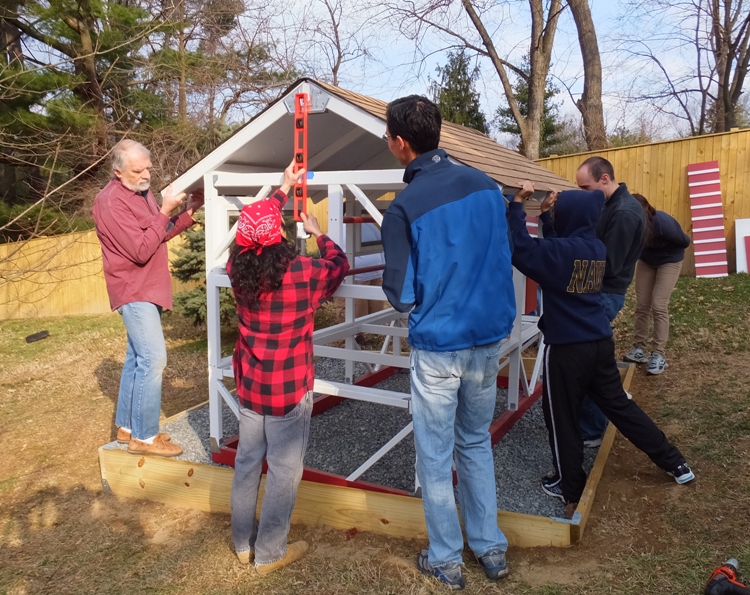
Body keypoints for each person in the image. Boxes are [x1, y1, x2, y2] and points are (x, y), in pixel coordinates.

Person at [381, 95, 515, 590]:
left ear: (400, 143)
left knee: (434, 454)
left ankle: (446, 558)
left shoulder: (404, 207)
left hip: (439, 345)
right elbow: (505, 254)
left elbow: (400, 294)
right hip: (486, 339)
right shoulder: (487, 186)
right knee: (475, 440)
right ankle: (490, 548)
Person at [509, 181, 695, 516]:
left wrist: (517, 206)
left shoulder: (559, 254)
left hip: (566, 349)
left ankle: (569, 486)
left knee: (561, 419)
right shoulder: (594, 247)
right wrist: (548, 219)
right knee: (621, 407)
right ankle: (676, 462)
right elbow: (555, 248)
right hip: (599, 343)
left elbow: (520, 249)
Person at [228, 161, 349, 575]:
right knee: (283, 471)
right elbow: (339, 264)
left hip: (250, 386)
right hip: (288, 389)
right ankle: (270, 552)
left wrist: (281, 189)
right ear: (279, 234)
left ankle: (242, 543)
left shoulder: (236, 271)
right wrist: (320, 234)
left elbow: (254, 228)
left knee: (247, 463)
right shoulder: (304, 273)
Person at [93, 139, 204, 457]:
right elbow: (140, 251)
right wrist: (166, 209)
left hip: (148, 288)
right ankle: (144, 437)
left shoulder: (141, 193)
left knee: (137, 358)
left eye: (148, 168)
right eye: (137, 170)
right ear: (117, 171)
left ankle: (128, 428)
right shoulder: (111, 202)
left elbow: (158, 233)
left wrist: (188, 211)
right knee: (154, 359)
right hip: (133, 288)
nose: (145, 175)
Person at [546, 156, 646, 446]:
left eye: (586, 188)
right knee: (588, 362)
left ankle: (590, 430)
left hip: (605, 294)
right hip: (598, 292)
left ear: (605, 179)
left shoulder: (625, 213)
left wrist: (570, 264)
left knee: (586, 364)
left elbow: (610, 263)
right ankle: (588, 424)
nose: (584, 195)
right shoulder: (609, 206)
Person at [624, 194, 691, 375]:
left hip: (669, 260)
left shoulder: (661, 223)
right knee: (642, 305)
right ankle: (639, 349)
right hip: (646, 261)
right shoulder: (629, 224)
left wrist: (665, 250)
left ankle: (659, 355)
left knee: (659, 305)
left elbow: (685, 241)